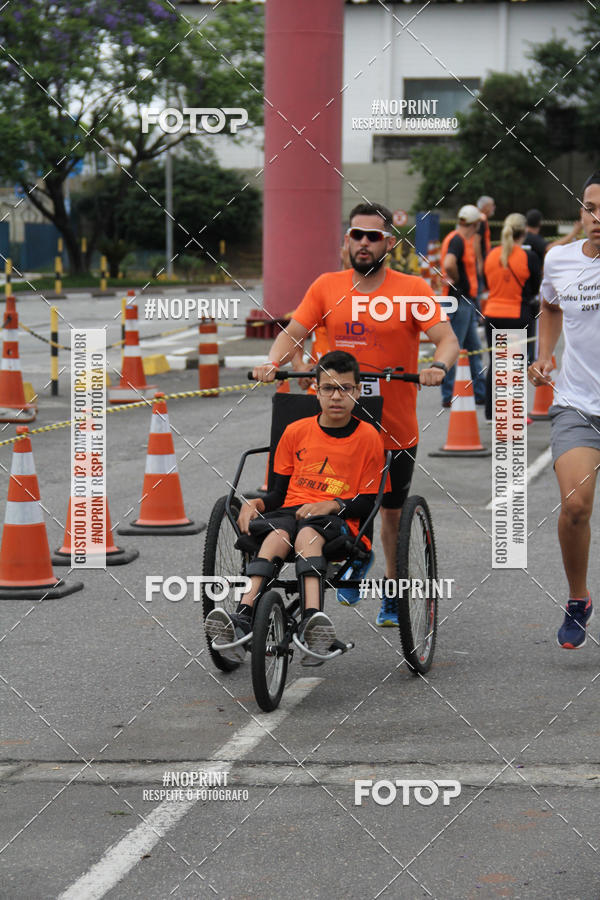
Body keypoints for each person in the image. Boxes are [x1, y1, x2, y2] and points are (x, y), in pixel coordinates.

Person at [252, 202, 459, 626]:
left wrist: (438, 366)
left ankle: (392, 591)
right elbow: (294, 331)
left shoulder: (412, 289)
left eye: (374, 236)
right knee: (322, 497)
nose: (364, 243)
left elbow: (447, 339)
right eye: (357, 235)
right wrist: (272, 360)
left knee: (391, 515)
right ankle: (349, 555)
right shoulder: (327, 286)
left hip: (392, 427)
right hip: (332, 422)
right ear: (347, 240)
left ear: (388, 242)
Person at [205, 351, 387, 664]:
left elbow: (368, 501)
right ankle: (242, 616)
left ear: (358, 391)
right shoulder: (295, 432)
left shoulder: (369, 437)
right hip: (290, 513)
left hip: (338, 520)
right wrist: (255, 502)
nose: (336, 397)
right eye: (328, 388)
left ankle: (312, 623)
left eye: (345, 388)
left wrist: (332, 503)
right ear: (315, 390)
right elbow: (277, 494)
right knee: (277, 534)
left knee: (307, 536)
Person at [528, 171, 600, 650]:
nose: (597, 219)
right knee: (575, 505)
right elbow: (550, 307)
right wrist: (545, 353)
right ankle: (578, 599)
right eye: (590, 208)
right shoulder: (559, 259)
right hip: (578, 404)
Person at [483, 213, 541, 420]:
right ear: (524, 232)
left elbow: (487, 282)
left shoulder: (492, 254)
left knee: (495, 363)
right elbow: (535, 286)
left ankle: (491, 413)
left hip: (493, 314)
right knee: (514, 365)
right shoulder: (528, 257)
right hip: (518, 313)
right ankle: (512, 414)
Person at [440, 205, 487, 408]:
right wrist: (457, 280)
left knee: (472, 347)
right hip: (458, 300)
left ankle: (479, 392)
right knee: (455, 346)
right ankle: (449, 393)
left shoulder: (458, 238)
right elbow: (450, 263)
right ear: (476, 224)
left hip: (463, 301)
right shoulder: (458, 240)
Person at [473, 195, 495, 300]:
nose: (493, 208)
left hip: (474, 259)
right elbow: (476, 241)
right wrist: (480, 262)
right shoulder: (481, 219)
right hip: (476, 260)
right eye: (492, 206)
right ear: (485, 206)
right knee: (477, 289)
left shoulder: (476, 217)